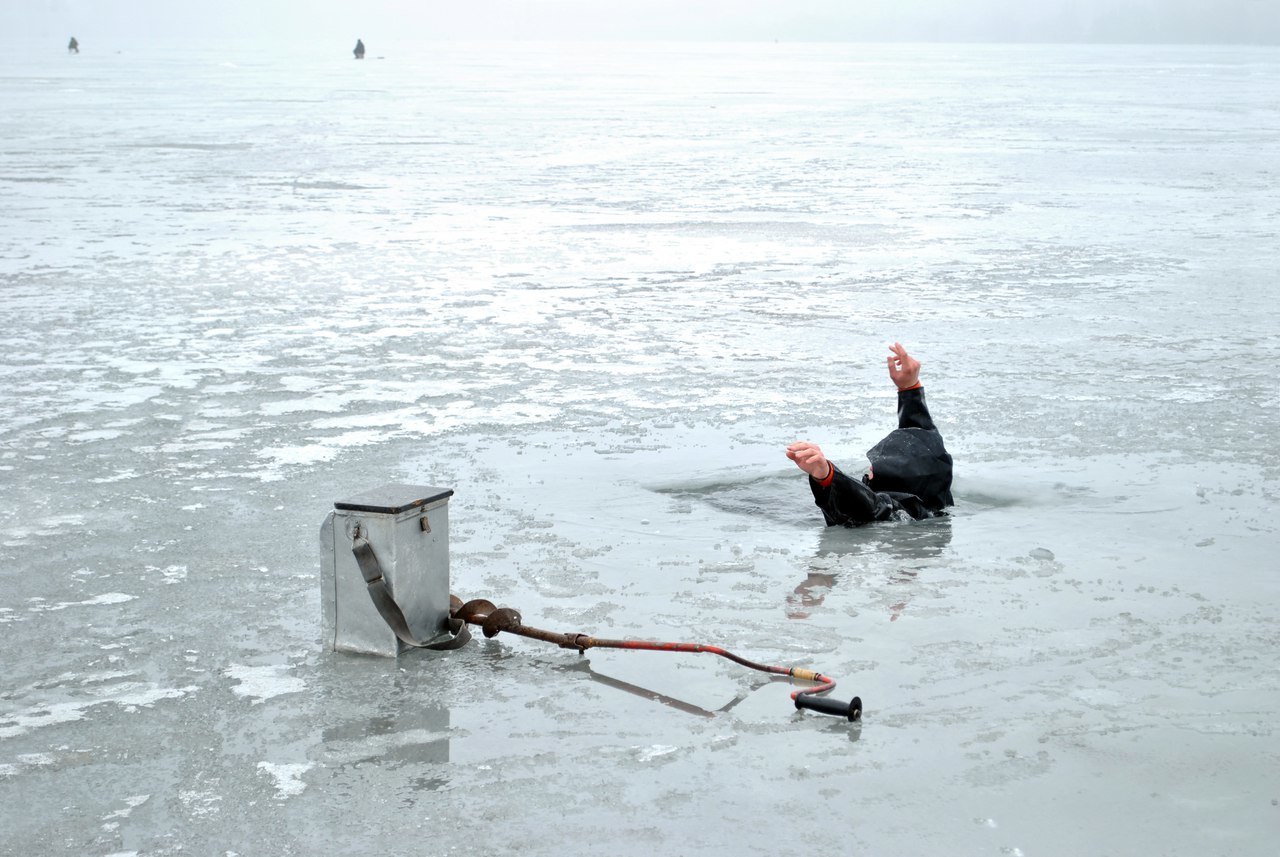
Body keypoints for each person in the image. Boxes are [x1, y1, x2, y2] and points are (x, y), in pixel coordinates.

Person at [787, 342, 953, 526]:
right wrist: (910, 389)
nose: (870, 470)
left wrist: (827, 475)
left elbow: (871, 506)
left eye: (877, 466)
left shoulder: (895, 511)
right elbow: (923, 444)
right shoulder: (935, 493)